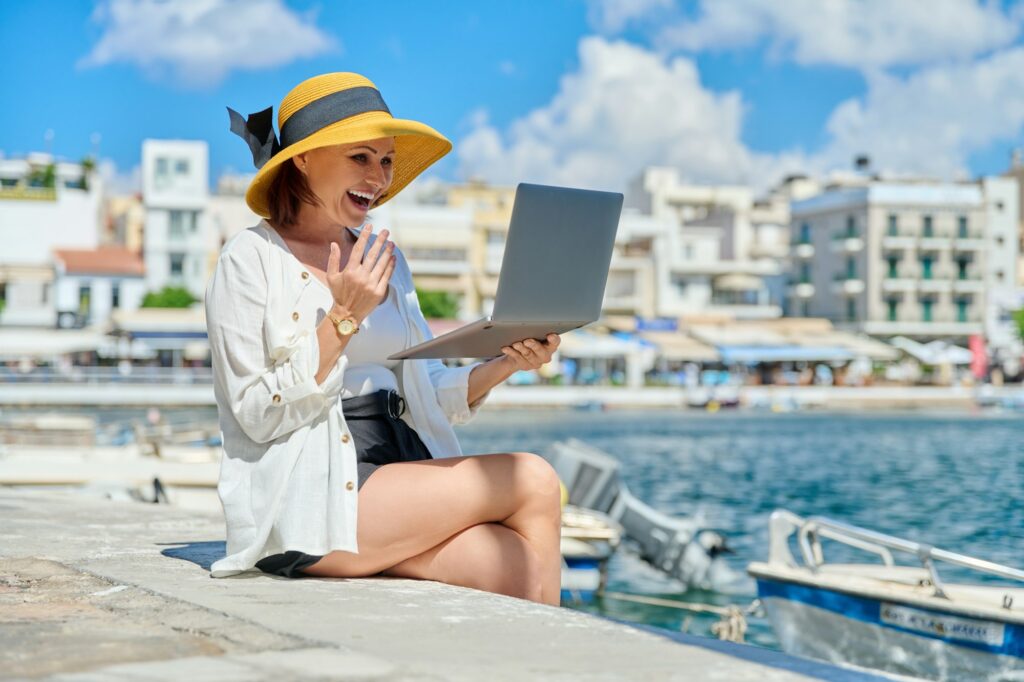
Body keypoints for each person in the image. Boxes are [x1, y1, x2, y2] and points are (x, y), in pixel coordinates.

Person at [206, 72, 563, 605]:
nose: (379, 177)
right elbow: (254, 413)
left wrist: (506, 363)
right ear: (303, 158)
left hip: (400, 465)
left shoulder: (387, 263)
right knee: (532, 478)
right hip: (310, 488)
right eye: (361, 158)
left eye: (388, 161)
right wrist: (343, 319)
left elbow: (427, 389)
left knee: (510, 566)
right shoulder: (249, 260)